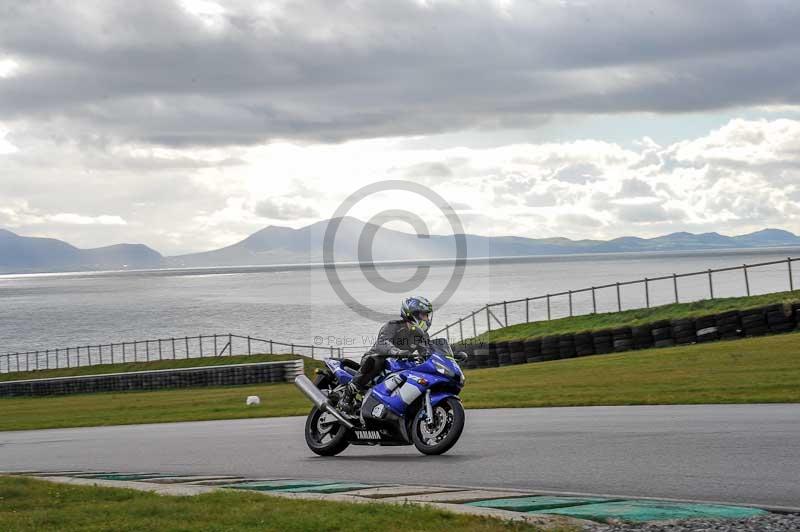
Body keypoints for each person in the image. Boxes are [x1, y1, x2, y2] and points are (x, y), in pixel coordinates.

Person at [338, 296, 433, 412]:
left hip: (399, 364)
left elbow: (427, 352)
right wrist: (396, 352)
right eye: (424, 315)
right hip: (376, 359)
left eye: (428, 315)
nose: (427, 319)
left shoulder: (421, 335)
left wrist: (447, 358)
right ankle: (348, 395)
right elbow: (383, 343)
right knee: (378, 360)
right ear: (413, 314)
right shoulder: (393, 326)